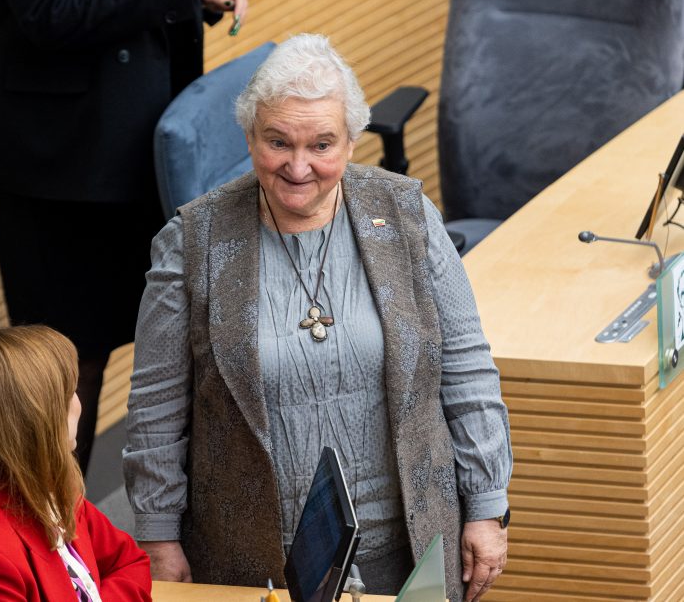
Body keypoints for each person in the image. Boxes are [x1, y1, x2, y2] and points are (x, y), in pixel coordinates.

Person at [123, 34, 513, 602]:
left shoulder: (406, 216)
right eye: (277, 141)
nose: (298, 167)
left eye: (322, 145)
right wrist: (158, 535)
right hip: (252, 557)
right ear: (249, 135)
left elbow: (467, 369)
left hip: (410, 546)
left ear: (353, 141)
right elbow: (156, 403)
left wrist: (486, 505)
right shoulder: (193, 242)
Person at [0, 0, 248, 477]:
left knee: (169, 337)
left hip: (139, 142)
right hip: (66, 171)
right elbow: (49, 13)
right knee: (67, 368)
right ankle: (56, 533)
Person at [0, 325, 151, 601]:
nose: (78, 405)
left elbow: (130, 563)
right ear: (34, 423)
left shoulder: (53, 488)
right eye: (67, 394)